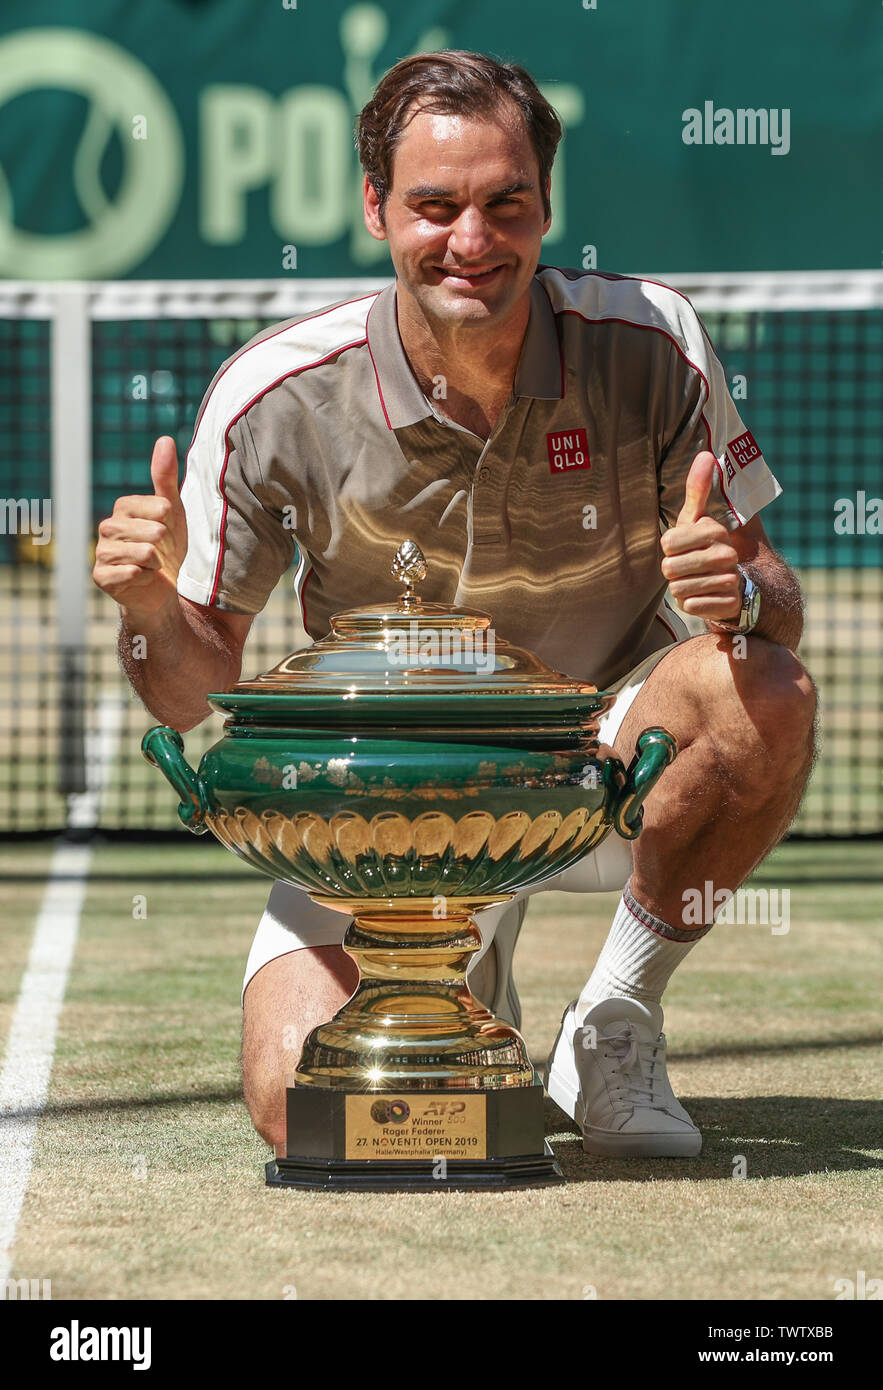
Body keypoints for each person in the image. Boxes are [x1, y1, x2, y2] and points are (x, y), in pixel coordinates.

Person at [93, 50, 816, 1160]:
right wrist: (148, 602)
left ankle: (613, 1018)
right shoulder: (271, 398)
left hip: (599, 770)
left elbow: (778, 603)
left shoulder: (657, 342)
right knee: (314, 1116)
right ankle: (468, 993)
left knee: (761, 685)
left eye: (502, 204)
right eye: (434, 206)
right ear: (375, 205)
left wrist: (741, 593)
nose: (471, 241)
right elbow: (194, 693)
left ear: (544, 207)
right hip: (377, 800)